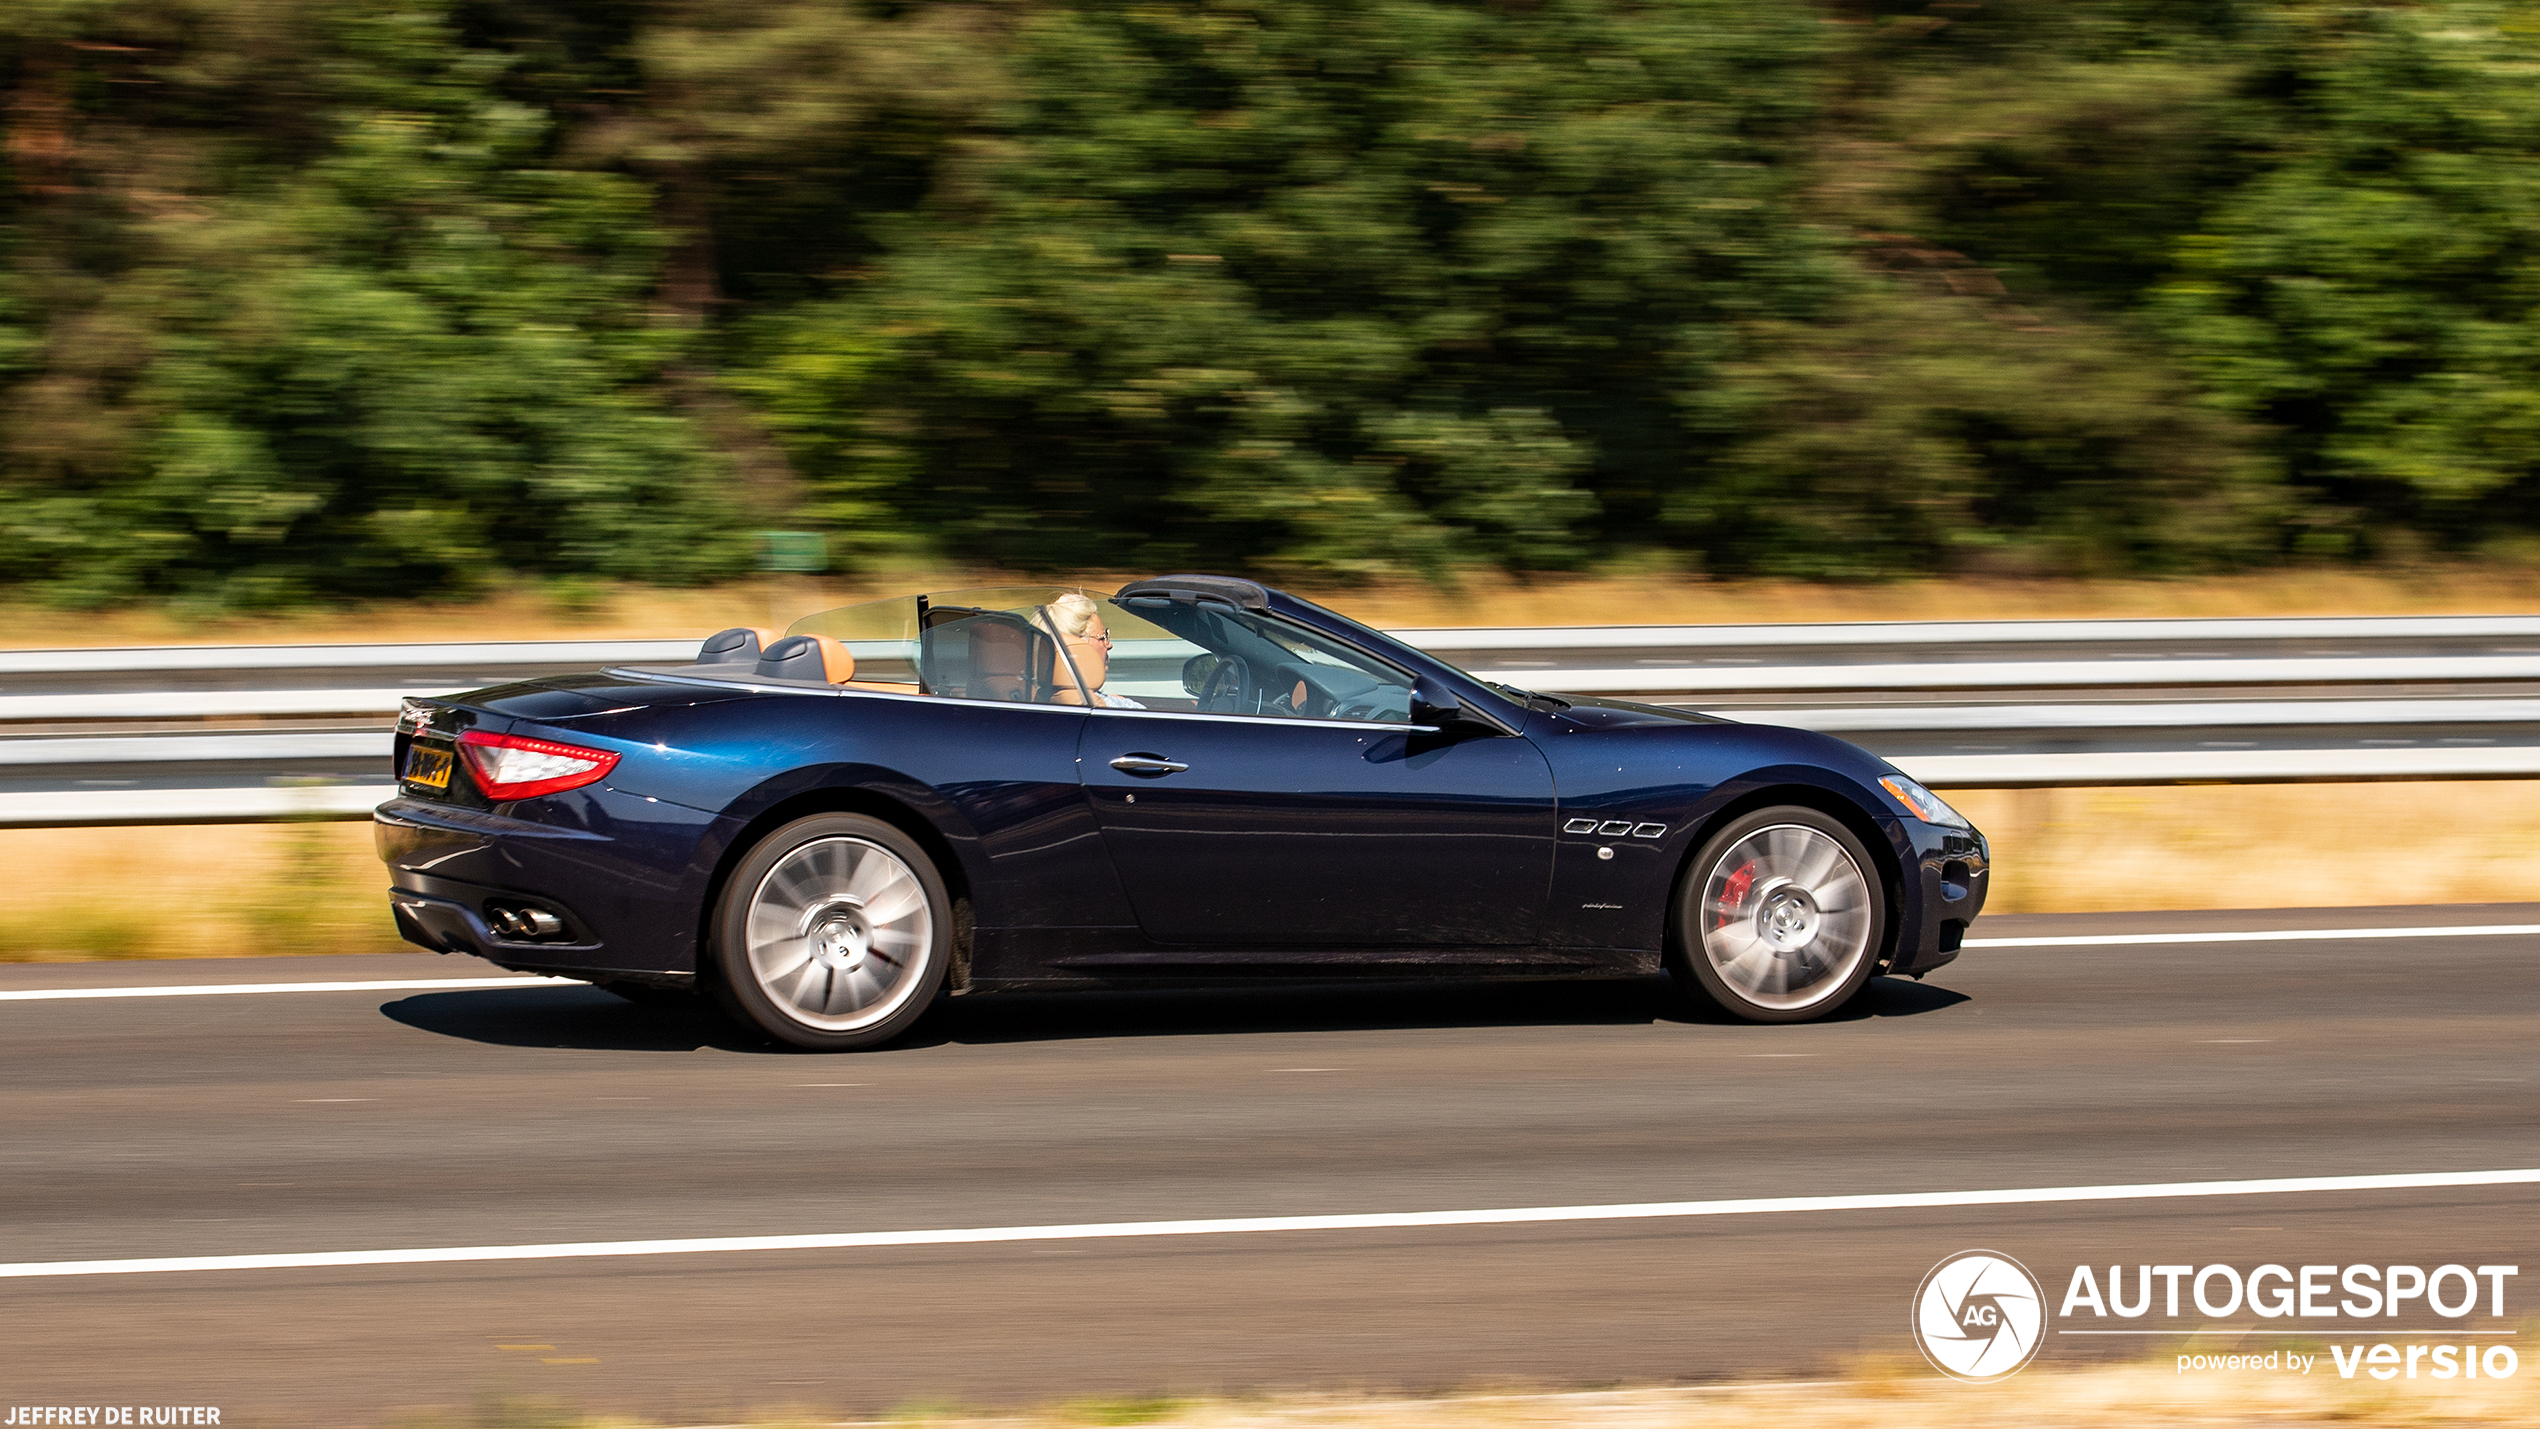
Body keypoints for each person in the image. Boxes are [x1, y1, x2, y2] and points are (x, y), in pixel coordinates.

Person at [1042, 592, 1146, 709]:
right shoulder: (1116, 709)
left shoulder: (1031, 699)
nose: (1109, 645)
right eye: (1102, 638)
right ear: (1078, 648)